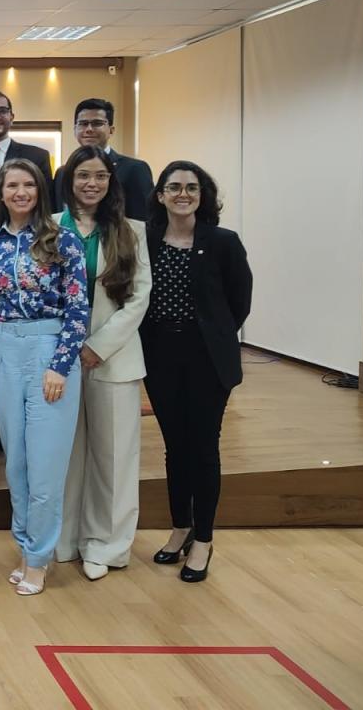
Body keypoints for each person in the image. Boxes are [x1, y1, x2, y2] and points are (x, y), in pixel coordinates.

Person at [0, 158, 89, 596]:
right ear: (1, 193)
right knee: (17, 465)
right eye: (12, 185)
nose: (20, 192)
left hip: (49, 349)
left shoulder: (62, 240)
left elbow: (78, 308)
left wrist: (60, 364)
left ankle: (40, 558)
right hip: (5, 349)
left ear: (40, 190)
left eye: (28, 184)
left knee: (45, 467)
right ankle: (25, 548)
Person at [140, 161, 252, 583]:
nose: (182, 194)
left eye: (191, 187)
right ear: (161, 195)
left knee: (204, 447)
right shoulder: (147, 240)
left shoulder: (223, 242)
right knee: (175, 446)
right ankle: (180, 527)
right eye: (174, 187)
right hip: (160, 355)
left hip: (207, 358)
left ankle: (203, 538)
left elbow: (239, 302)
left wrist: (213, 335)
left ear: (202, 196)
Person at [52, 146, 152, 581]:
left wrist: (98, 345)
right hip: (59, 359)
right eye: (83, 175)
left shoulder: (132, 231)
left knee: (113, 456)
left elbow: (139, 297)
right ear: (69, 180)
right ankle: (65, 538)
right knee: (65, 454)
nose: (91, 184)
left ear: (111, 182)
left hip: (112, 358)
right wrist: (66, 348)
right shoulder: (49, 227)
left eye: (100, 176)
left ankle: (105, 544)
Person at [58, 99, 154, 221]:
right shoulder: (62, 172)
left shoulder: (135, 169)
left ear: (111, 130)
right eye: (83, 123)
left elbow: (144, 219)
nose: (89, 129)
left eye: (97, 123)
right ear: (75, 129)